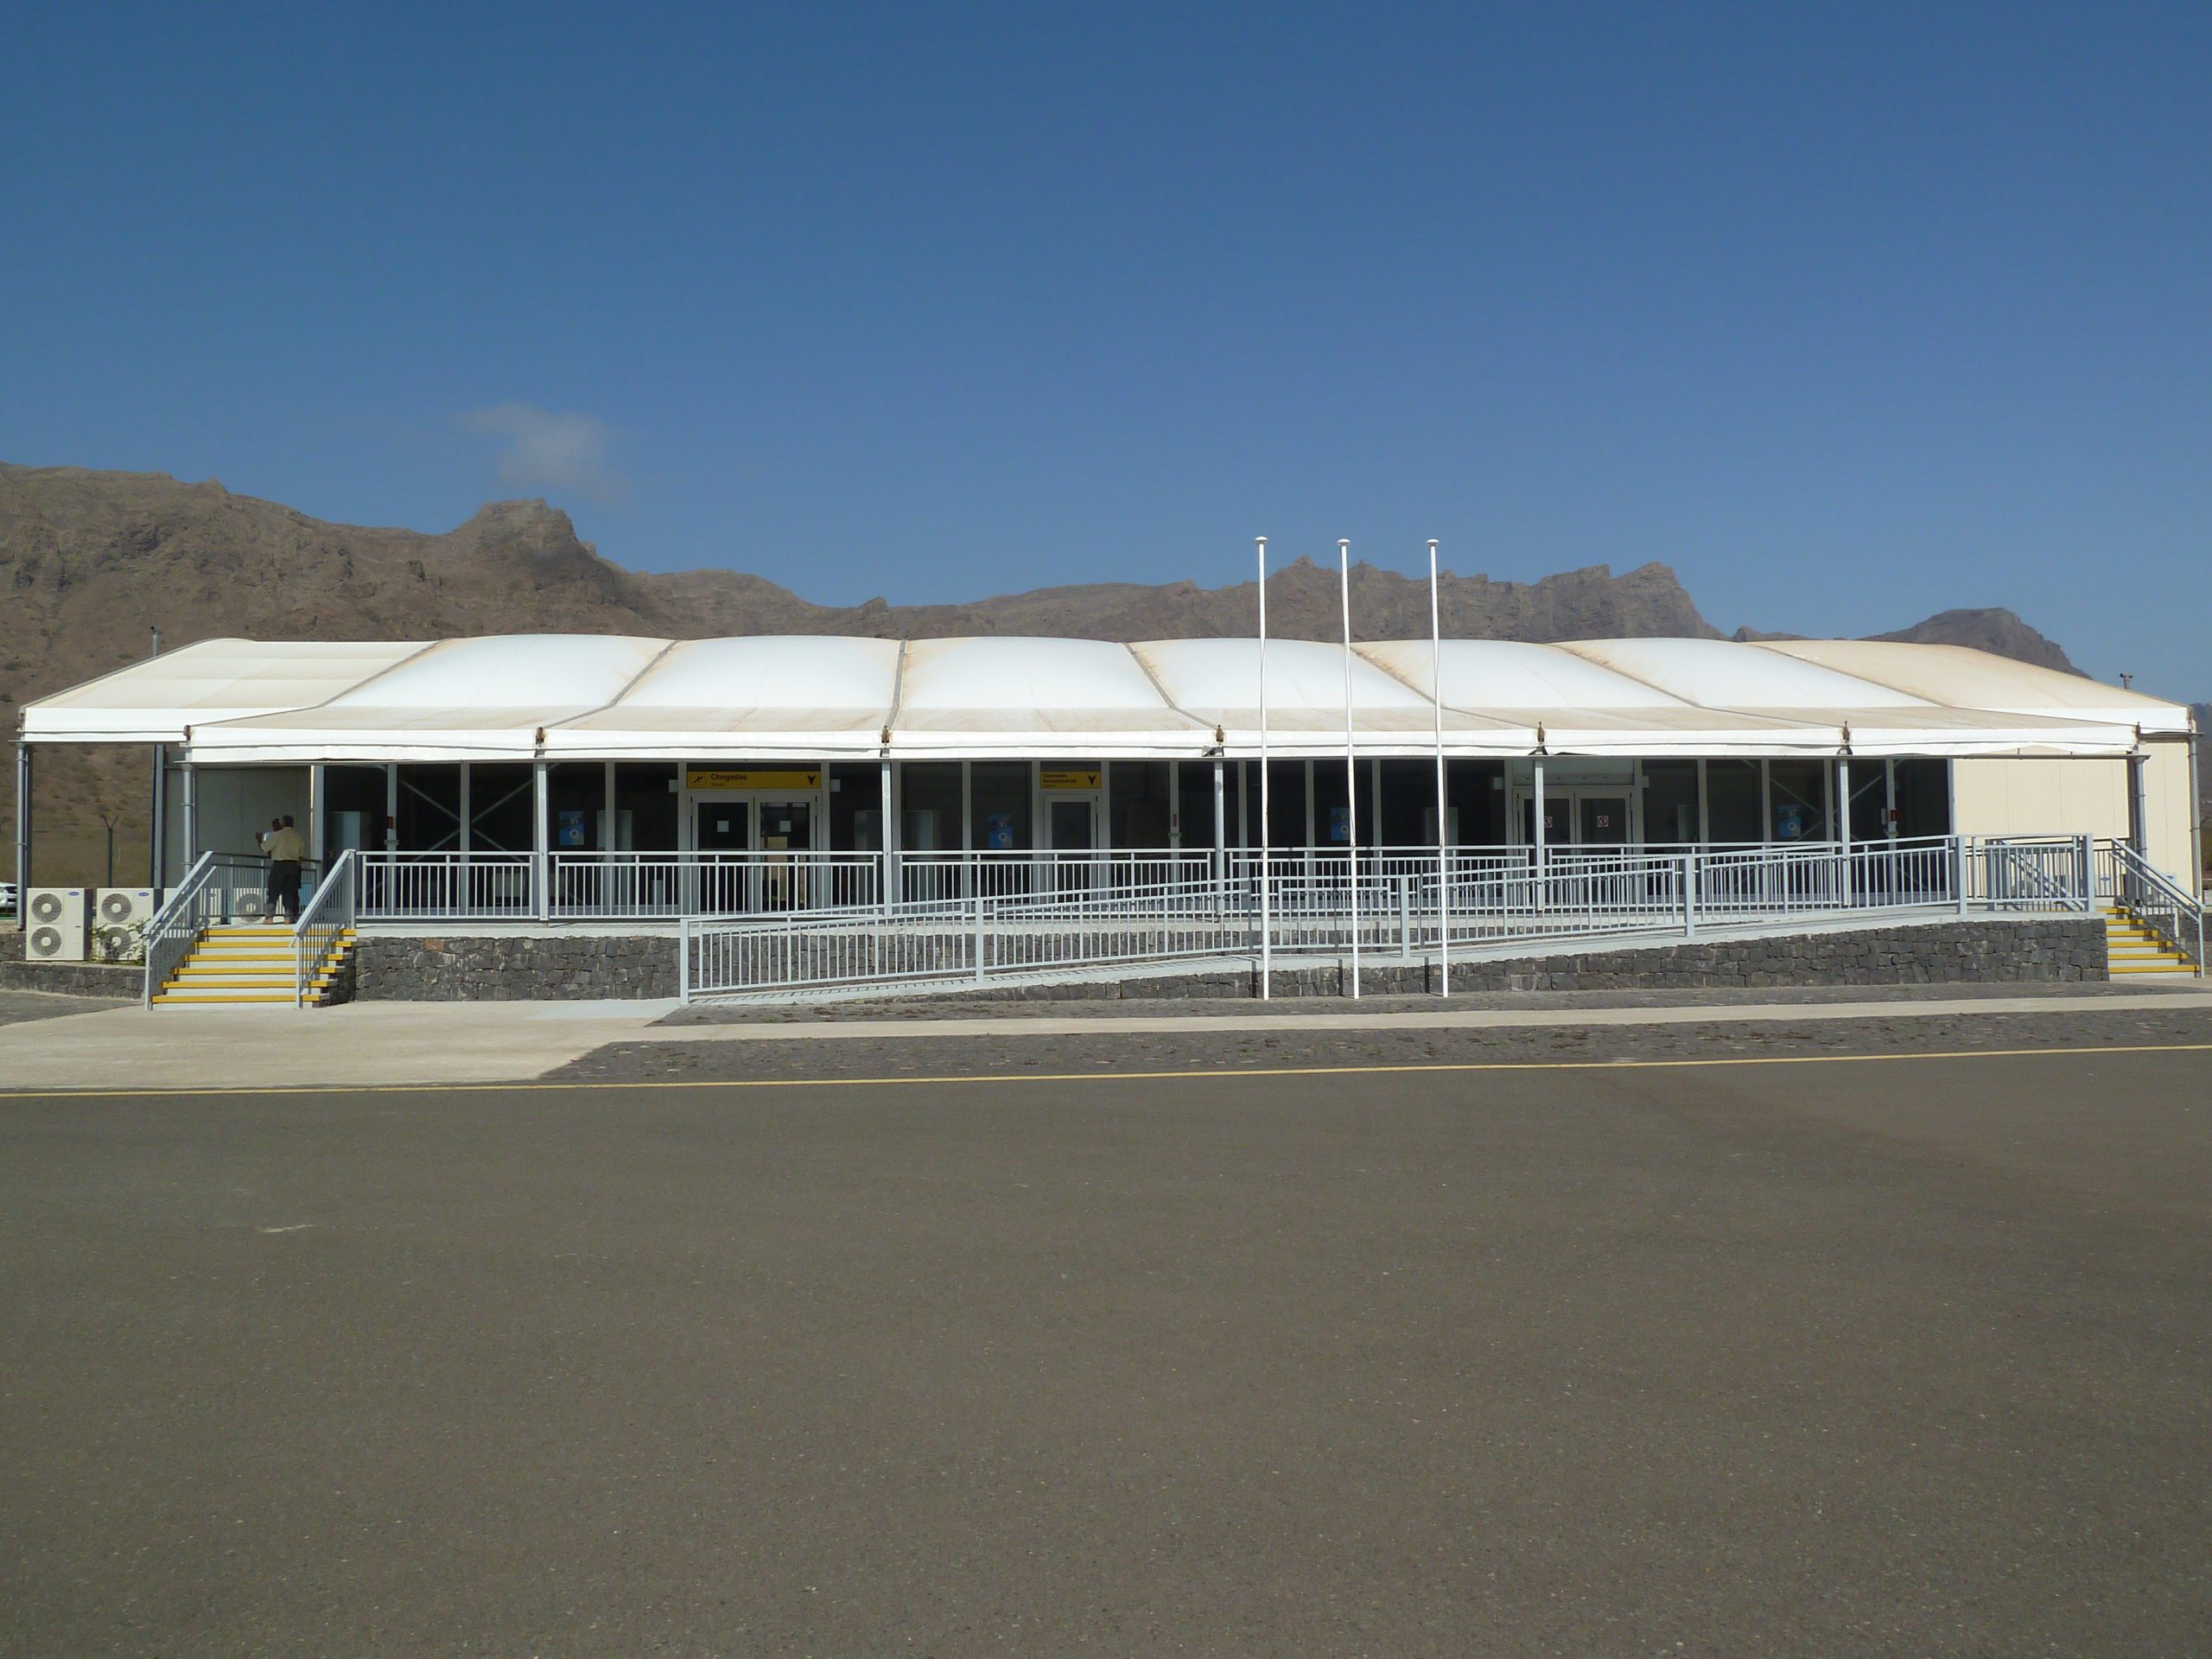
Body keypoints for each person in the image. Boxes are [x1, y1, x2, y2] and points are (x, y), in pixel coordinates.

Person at [266, 815, 307, 923]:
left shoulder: (278, 835)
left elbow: (265, 847)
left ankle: (269, 917)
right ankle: (288, 917)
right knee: (289, 892)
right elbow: (301, 855)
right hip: (293, 865)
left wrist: (259, 839)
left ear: (282, 823)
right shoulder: (298, 836)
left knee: (273, 891)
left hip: (279, 864)